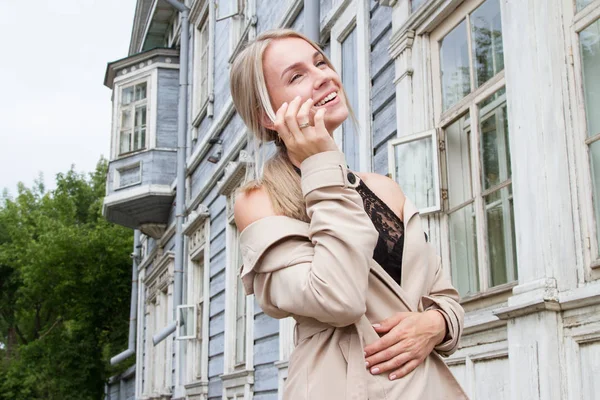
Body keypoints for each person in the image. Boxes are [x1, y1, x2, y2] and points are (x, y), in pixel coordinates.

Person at [229, 28, 467, 399]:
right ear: (268, 117)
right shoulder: (259, 201)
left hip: (426, 387)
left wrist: (435, 324)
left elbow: (446, 297)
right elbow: (338, 299)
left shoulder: (385, 188)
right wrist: (321, 164)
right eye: (296, 76)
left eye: (320, 62)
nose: (323, 75)